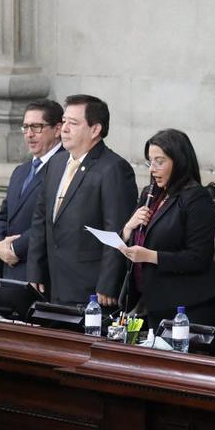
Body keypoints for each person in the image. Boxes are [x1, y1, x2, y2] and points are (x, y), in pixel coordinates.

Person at [27, 94, 137, 307]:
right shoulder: (56, 163)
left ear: (95, 130)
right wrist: (35, 271)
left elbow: (116, 229)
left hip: (90, 289)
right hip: (53, 283)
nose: (65, 129)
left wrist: (108, 284)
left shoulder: (113, 168)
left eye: (73, 123)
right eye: (65, 121)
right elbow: (40, 221)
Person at [120, 129, 215, 330]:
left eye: (159, 161)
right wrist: (128, 228)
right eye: (149, 162)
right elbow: (134, 239)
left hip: (189, 305)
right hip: (152, 300)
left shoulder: (196, 198)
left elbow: (198, 257)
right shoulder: (150, 194)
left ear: (179, 161)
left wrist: (150, 256)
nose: (152, 169)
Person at [0, 100, 64, 280]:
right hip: (9, 269)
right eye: (25, 127)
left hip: (38, 273)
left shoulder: (64, 168)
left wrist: (14, 249)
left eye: (37, 127)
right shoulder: (20, 171)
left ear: (57, 129)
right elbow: (4, 216)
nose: (29, 134)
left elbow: (51, 222)